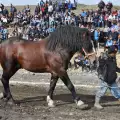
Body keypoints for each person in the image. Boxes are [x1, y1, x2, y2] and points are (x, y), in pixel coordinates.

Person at [94, 45, 120, 110]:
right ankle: (96, 104)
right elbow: (100, 68)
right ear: (110, 52)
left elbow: (115, 68)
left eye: (115, 53)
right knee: (101, 92)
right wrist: (100, 75)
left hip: (112, 79)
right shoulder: (104, 58)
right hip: (105, 79)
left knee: (117, 92)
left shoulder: (113, 58)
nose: (114, 54)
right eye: (113, 53)